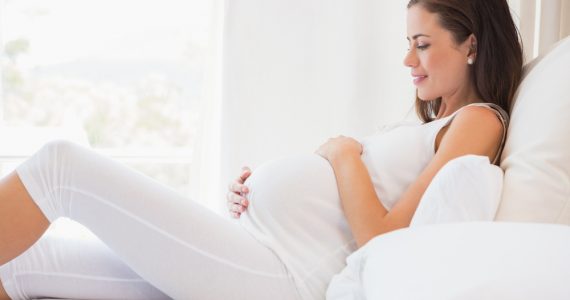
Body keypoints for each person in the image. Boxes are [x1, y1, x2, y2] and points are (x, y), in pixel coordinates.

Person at [0, 0, 523, 299]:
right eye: (407, 42)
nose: (408, 59)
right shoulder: (437, 122)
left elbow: (383, 240)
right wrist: (266, 194)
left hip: (279, 280)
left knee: (59, 169)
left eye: (423, 43)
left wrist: (343, 156)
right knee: (23, 265)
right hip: (253, 251)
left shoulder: (479, 120)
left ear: (472, 45)